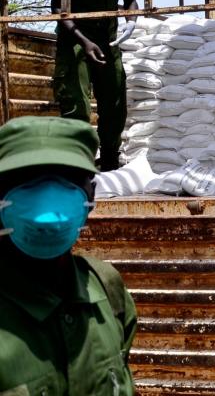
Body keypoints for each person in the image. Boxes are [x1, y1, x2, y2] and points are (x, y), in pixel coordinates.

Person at [0, 116, 137, 394]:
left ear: (91, 197)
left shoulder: (107, 291)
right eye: (27, 179)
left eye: (67, 179)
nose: (48, 197)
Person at [49, 0, 140, 171]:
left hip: (109, 40)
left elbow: (131, 0)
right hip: (76, 42)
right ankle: (78, 163)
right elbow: (58, 9)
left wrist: (131, 20)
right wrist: (84, 42)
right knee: (77, 106)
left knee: (114, 102)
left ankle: (110, 159)